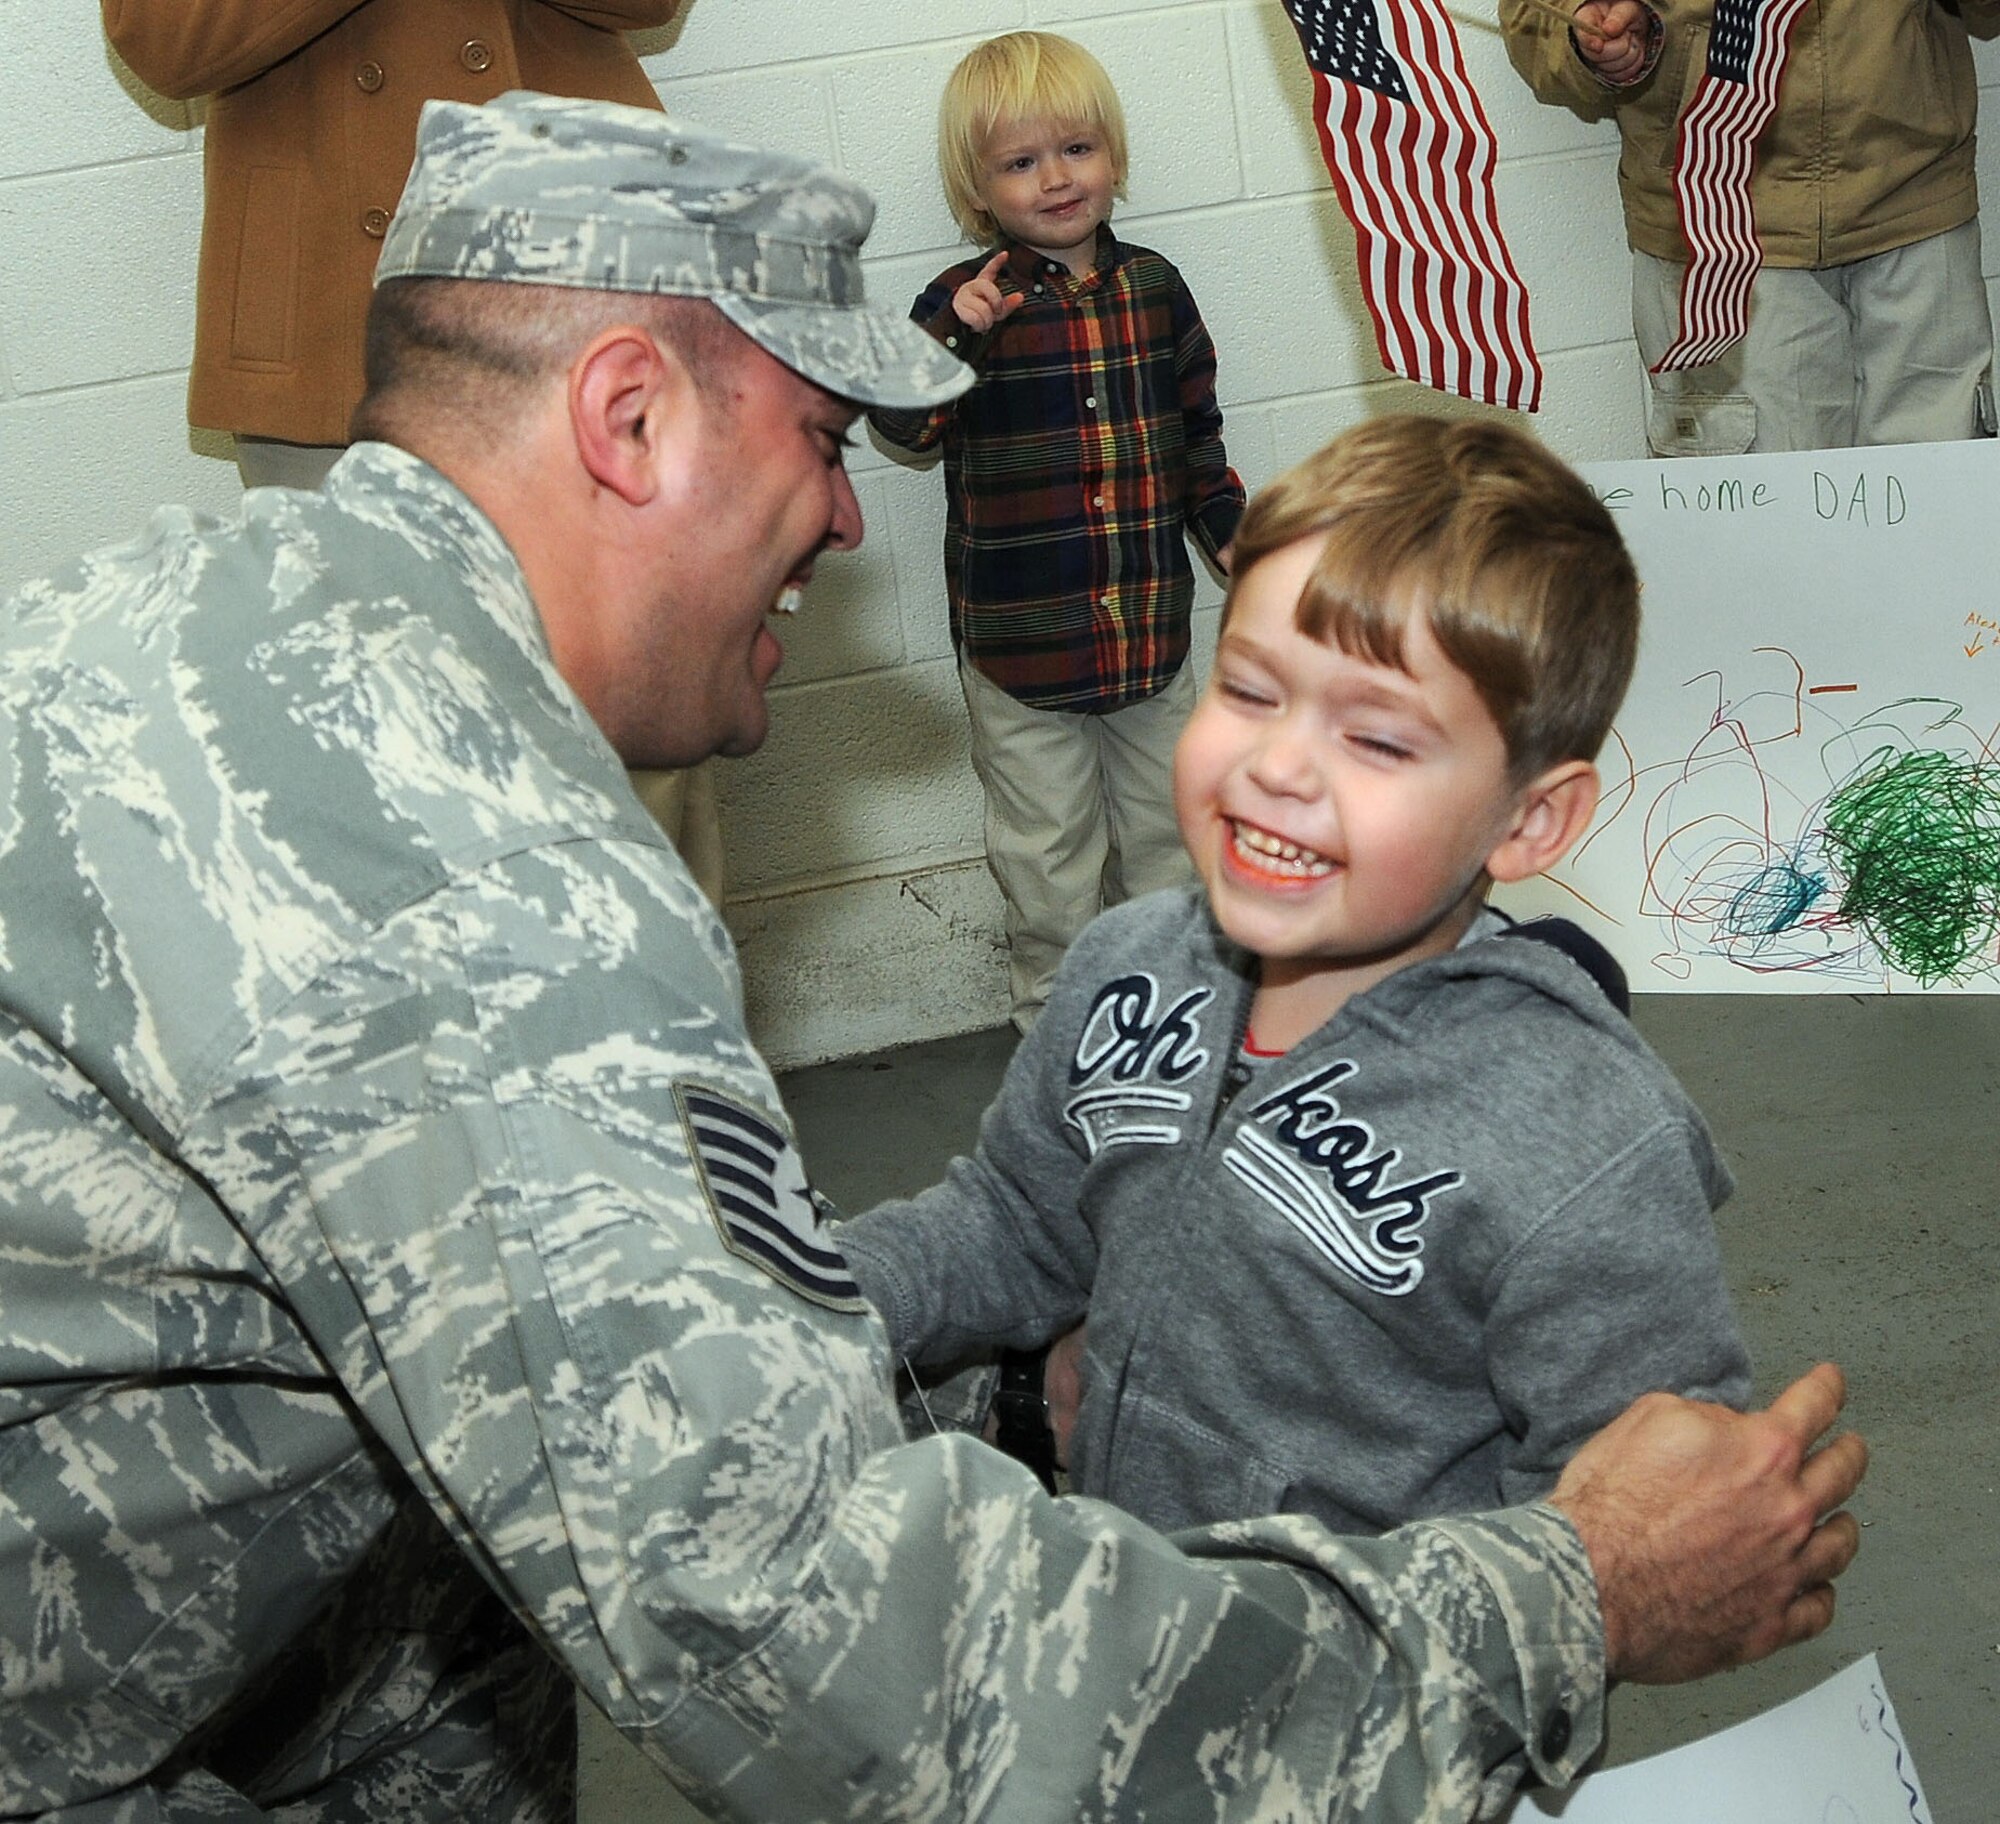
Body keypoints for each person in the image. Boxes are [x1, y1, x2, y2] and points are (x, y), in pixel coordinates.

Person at [0, 91, 1867, 1824]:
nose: (840, 511)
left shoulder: (177, 611)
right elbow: (811, 1633)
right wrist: (1566, 1600)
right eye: (820, 439)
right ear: (628, 417)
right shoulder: (477, 887)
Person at [839, 416, 1755, 1536]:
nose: (1275, 767)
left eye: (1375, 740)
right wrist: (806, 1295)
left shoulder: (1587, 1149)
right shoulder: (1126, 967)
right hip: (1130, 1615)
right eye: (1250, 691)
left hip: (1379, 1684)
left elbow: (1626, 1518)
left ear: (1528, 818)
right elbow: (1013, 1223)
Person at [97, 0, 724, 905]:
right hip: (330, 328)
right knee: (374, 752)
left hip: (573, 275)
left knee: (629, 721)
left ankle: (665, 1026)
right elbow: (164, 37)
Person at [871, 31, 1244, 1031]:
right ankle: (1057, 1025)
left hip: (1148, 640)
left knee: (1170, 834)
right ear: (976, 188)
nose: (1054, 178)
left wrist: (1237, 543)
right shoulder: (962, 305)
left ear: (1111, 154)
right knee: (1045, 856)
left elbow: (1196, 443)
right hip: (1019, 649)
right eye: (1018, 162)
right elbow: (901, 426)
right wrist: (954, 334)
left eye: (1075, 149)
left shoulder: (1155, 290)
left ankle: (1171, 1016)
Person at [1500, 0, 2000, 455]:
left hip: (1917, 208)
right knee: (1759, 535)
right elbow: (1534, 13)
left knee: (1937, 526)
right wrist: (1584, 29)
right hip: (1714, 220)